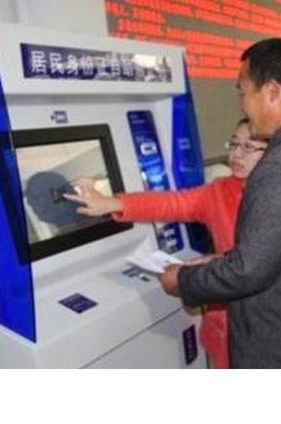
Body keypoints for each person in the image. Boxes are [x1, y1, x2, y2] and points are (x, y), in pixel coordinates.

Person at [158, 38, 281, 368]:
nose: (242, 105)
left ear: (271, 91)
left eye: (243, 93)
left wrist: (182, 281)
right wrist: (221, 260)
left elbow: (247, 272)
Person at [64, 118, 268, 368]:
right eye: (234, 144)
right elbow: (171, 203)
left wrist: (209, 266)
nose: (237, 154)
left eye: (249, 147)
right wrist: (111, 203)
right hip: (225, 327)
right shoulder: (219, 192)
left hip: (266, 329)